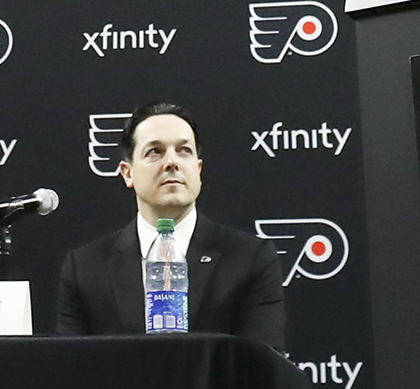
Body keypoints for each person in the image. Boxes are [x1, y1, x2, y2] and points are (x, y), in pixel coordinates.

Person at [54, 102, 285, 346]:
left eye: (184, 150)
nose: (172, 162)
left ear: (198, 169)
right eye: (155, 151)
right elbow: (73, 371)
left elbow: (263, 368)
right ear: (127, 173)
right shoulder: (85, 268)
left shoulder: (250, 258)